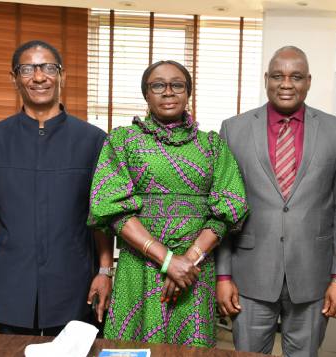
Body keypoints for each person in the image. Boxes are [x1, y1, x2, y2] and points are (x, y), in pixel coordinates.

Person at [89, 60, 247, 347]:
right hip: (139, 267)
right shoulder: (122, 141)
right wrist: (168, 260)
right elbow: (110, 207)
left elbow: (230, 206)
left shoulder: (212, 145)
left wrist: (186, 261)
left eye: (177, 85)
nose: (168, 92)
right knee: (131, 348)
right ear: (146, 94)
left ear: (188, 93)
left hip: (194, 272)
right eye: (158, 85)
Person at [216, 46, 336, 357]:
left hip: (313, 276)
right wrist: (223, 275)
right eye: (278, 76)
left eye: (296, 77)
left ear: (308, 81)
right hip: (250, 275)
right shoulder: (233, 129)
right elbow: (223, 210)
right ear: (266, 79)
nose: (286, 84)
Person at [0, 40, 112, 336]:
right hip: (11, 280)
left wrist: (104, 270)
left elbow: (100, 217)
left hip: (74, 282)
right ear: (14, 78)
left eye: (49, 67)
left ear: (62, 76)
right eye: (28, 69)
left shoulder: (93, 140)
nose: (39, 77)